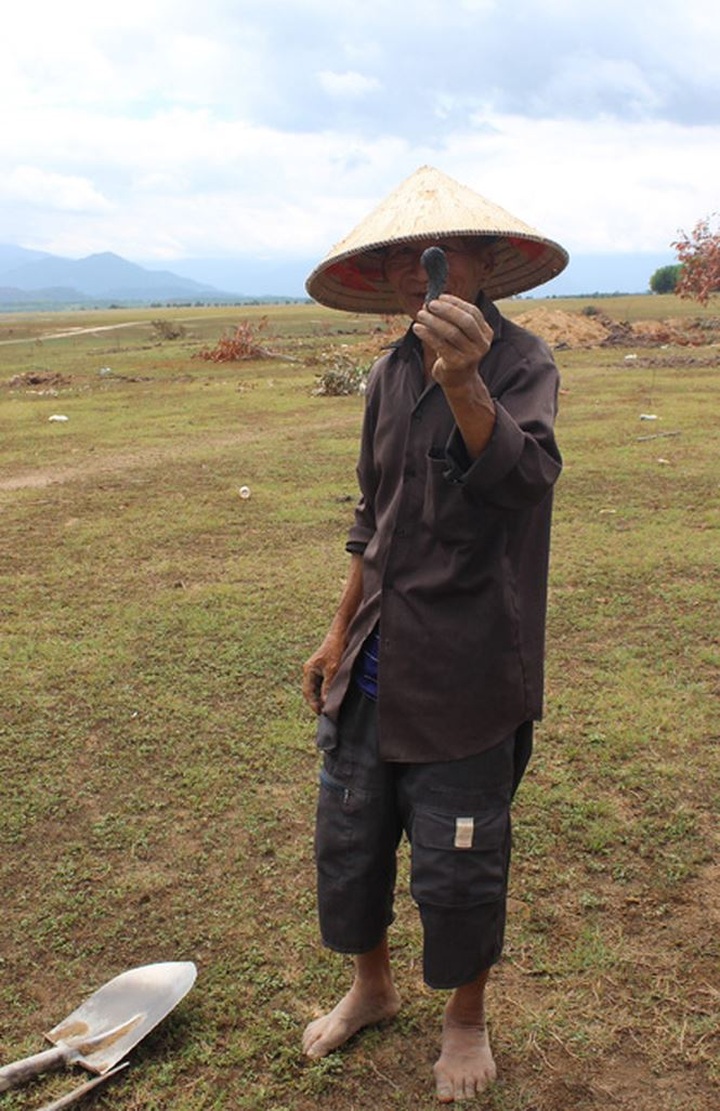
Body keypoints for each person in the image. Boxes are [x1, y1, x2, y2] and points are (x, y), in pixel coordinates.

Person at [300, 165, 568, 1103]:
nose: (424, 273)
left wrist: (466, 387)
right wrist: (338, 633)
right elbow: (372, 517)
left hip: (469, 667)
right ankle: (370, 986)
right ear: (388, 278)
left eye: (443, 255)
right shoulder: (385, 374)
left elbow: (525, 481)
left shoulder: (523, 363)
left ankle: (465, 1017)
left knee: (462, 858)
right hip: (376, 656)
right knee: (351, 836)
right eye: (404, 261)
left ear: (485, 264)